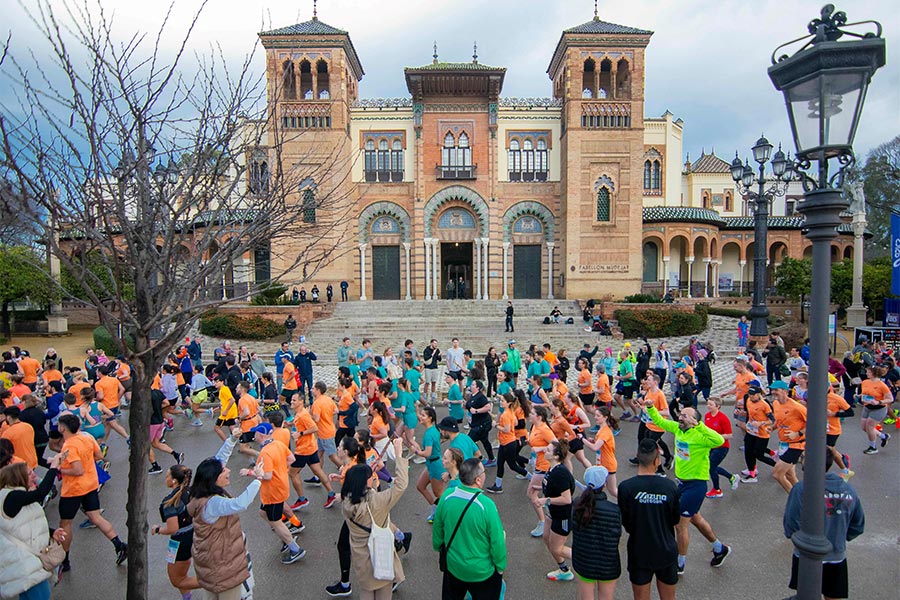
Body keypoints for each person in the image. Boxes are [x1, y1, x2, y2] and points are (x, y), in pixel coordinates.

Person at [641, 397, 731, 576]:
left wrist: (699, 426)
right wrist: (650, 408)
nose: (680, 417)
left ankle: (680, 563)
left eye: (685, 416)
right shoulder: (677, 429)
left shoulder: (701, 436)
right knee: (696, 519)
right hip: (680, 483)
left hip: (695, 486)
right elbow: (660, 421)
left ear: (694, 421)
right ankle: (719, 548)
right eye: (681, 414)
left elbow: (719, 440)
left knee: (680, 525)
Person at [188, 428, 260, 600]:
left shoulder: (199, 494)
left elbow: (219, 459)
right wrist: (258, 480)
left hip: (210, 563)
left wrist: (231, 440)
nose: (228, 471)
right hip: (224, 566)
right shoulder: (213, 504)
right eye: (223, 471)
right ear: (213, 478)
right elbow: (240, 504)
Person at [783, 450, 864, 600]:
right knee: (833, 596)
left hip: (806, 556)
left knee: (806, 595)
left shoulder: (801, 489)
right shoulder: (849, 490)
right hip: (836, 555)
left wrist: (799, 539)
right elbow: (858, 525)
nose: (801, 459)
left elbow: (791, 524)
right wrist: (839, 537)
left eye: (803, 457)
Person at [56, 413, 127, 570]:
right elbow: (99, 455)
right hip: (90, 484)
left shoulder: (69, 445)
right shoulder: (86, 437)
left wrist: (59, 468)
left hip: (73, 490)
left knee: (65, 523)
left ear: (62, 428)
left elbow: (77, 470)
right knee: (95, 517)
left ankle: (64, 561)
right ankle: (119, 544)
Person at [432, 457, 507, 600]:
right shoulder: (486, 505)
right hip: (481, 571)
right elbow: (497, 541)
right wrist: (500, 566)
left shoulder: (447, 496)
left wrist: (438, 545)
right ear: (478, 480)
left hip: (454, 566)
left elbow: (438, 527)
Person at [342, 438, 408, 600]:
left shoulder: (347, 502)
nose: (373, 478)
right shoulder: (378, 502)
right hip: (380, 554)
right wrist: (398, 454)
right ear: (366, 482)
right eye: (371, 476)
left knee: (366, 590)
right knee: (384, 592)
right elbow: (401, 485)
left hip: (361, 557)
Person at [618, 439, 679, 600]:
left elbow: (626, 522)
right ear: (657, 460)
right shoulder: (670, 486)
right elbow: (675, 519)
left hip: (640, 551)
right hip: (666, 549)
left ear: (638, 457)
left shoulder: (625, 488)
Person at [0, 455, 68, 600]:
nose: (35, 476)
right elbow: (41, 493)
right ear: (19, 478)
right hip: (25, 565)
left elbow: (28, 523)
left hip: (25, 564)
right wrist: (54, 468)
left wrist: (52, 532)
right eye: (30, 474)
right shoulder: (12, 497)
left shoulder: (18, 497)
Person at [247, 422, 306, 564]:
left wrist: (249, 472)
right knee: (263, 513)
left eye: (255, 433)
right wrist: (282, 470)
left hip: (273, 492)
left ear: (260, 435)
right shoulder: (278, 444)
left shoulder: (264, 453)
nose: (253, 435)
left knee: (276, 521)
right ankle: (287, 536)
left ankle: (295, 548)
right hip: (279, 488)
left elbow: (266, 476)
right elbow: (292, 459)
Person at [571, 466, 621, 600]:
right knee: (606, 596)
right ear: (604, 484)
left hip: (584, 560)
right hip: (608, 563)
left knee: (586, 596)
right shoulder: (614, 510)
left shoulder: (577, 505)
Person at [150, 464, 200, 598]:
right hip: (194, 534)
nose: (165, 479)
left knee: (177, 579)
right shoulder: (192, 492)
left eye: (167, 476)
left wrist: (158, 529)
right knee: (181, 575)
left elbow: (173, 528)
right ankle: (186, 596)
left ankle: (213, 581)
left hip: (179, 541)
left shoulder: (170, 501)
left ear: (174, 481)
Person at [537, 439, 576, 582]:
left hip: (562, 516)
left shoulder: (560, 473)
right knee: (546, 539)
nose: (544, 451)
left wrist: (545, 500)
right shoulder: (551, 468)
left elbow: (567, 499)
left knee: (557, 548)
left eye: (547, 450)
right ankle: (564, 570)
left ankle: (589, 559)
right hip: (552, 512)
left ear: (556, 456)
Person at [485, 394, 527, 494]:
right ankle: (498, 485)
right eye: (501, 400)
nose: (501, 402)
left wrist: (496, 426)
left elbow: (507, 430)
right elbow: (515, 423)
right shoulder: (511, 412)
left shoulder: (505, 414)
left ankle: (531, 476)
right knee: (500, 464)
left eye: (503, 401)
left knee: (512, 465)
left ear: (509, 403)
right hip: (505, 442)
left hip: (508, 443)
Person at [526, 406, 557, 537]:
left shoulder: (544, 429)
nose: (530, 415)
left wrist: (540, 449)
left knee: (532, 493)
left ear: (539, 417)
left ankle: (543, 521)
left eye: (532, 413)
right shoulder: (534, 426)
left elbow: (556, 444)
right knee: (543, 493)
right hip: (537, 463)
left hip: (544, 466)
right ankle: (550, 516)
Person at [770, 380, 807, 492]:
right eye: (772, 390)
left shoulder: (797, 407)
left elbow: (814, 423)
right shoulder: (775, 404)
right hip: (783, 443)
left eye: (776, 390)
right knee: (790, 475)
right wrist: (772, 428)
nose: (773, 392)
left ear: (785, 391)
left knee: (777, 474)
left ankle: (795, 500)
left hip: (796, 445)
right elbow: (779, 420)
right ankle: (803, 498)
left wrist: (798, 433)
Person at [703, 397, 738, 498]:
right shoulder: (707, 416)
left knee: (711, 467)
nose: (708, 406)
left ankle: (717, 490)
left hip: (722, 447)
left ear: (718, 406)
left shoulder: (723, 418)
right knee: (710, 467)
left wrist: (716, 437)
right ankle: (731, 478)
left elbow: (729, 435)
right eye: (708, 404)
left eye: (711, 405)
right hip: (711, 446)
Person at [859, 365, 893, 454]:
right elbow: (865, 393)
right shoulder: (865, 382)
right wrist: (859, 396)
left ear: (874, 374)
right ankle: (883, 436)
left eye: (868, 372)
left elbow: (890, 399)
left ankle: (873, 447)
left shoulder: (882, 385)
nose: (866, 373)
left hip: (879, 408)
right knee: (864, 427)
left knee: (870, 427)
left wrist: (879, 402)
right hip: (867, 407)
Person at [466, 381, 495, 466]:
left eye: (473, 384)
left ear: (478, 388)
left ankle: (477, 458)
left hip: (482, 425)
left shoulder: (480, 397)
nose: (471, 386)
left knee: (468, 441)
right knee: (485, 440)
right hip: (477, 424)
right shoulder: (472, 396)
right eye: (471, 384)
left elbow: (488, 407)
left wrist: (476, 411)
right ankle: (491, 459)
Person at [422, 340, 442, 405]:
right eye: (434, 343)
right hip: (428, 368)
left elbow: (439, 360)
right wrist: (432, 354)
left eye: (436, 343)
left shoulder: (437, 350)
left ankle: (433, 396)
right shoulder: (426, 350)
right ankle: (425, 396)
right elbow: (425, 358)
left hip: (435, 367)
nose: (435, 344)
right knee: (427, 382)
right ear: (431, 343)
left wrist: (439, 355)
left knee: (434, 382)